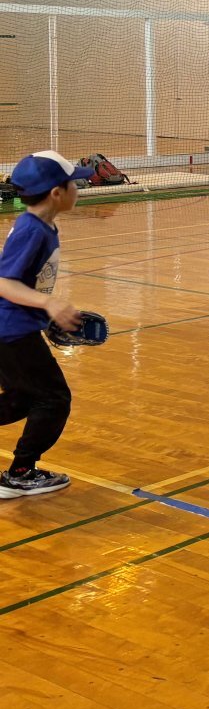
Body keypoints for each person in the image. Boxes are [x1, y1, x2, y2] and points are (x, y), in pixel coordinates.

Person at [0, 151, 93, 499]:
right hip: (10, 331)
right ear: (57, 193)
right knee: (54, 399)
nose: (78, 188)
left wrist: (45, 317)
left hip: (13, 327)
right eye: (74, 183)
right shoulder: (31, 231)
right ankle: (19, 474)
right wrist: (48, 304)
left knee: (23, 399)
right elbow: (4, 282)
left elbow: (28, 282)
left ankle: (20, 472)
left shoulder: (42, 225)